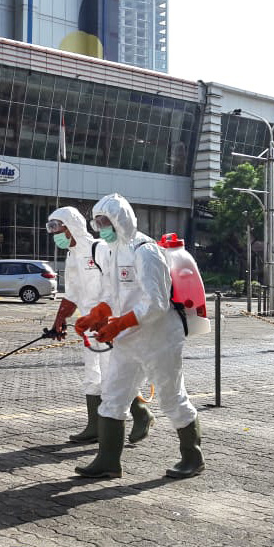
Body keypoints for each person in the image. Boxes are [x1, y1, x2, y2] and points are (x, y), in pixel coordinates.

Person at [74, 193, 204, 480]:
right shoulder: (110, 250)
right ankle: (108, 461)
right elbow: (111, 294)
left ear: (120, 220)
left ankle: (192, 458)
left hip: (158, 339)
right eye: (96, 222)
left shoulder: (146, 251)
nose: (100, 227)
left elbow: (156, 303)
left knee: (171, 398)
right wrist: (96, 315)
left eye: (104, 221)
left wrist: (119, 323)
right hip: (128, 340)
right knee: (113, 396)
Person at [47, 207, 154, 444]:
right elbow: (72, 293)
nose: (54, 233)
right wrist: (59, 321)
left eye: (57, 227)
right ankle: (94, 427)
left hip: (109, 323)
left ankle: (140, 414)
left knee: (113, 375)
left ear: (71, 225)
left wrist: (108, 318)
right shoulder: (72, 255)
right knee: (92, 375)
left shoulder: (100, 248)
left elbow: (116, 287)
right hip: (88, 325)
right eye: (51, 228)